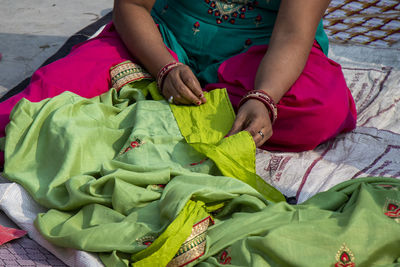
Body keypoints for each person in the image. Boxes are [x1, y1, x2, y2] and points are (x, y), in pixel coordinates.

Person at [0, 0, 357, 166]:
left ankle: (138, 110)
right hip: (162, 40)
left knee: (319, 107)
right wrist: (164, 67)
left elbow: (293, 34)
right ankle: (177, 109)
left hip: (261, 56)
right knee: (53, 89)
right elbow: (132, 6)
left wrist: (264, 97)